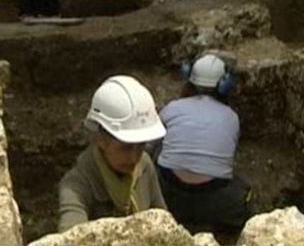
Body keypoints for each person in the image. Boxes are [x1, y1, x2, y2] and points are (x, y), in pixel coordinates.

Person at [58, 75, 167, 232]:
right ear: (100, 140)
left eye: (141, 146)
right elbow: (69, 235)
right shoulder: (76, 185)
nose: (134, 157)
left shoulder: (144, 165)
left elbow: (163, 220)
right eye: (126, 148)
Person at [155, 53, 250, 233]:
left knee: (158, 147)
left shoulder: (173, 108)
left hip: (168, 192)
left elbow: (152, 141)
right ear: (225, 84)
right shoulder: (231, 117)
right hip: (216, 199)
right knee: (243, 190)